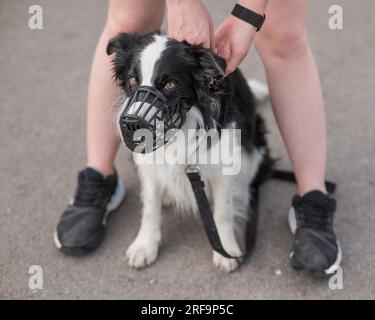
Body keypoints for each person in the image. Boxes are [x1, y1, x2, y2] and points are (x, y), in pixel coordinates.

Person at [55, 0, 340, 276]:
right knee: (129, 19)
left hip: (214, 136)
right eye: (134, 81)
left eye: (166, 83)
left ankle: (312, 196)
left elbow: (226, 168)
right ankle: (102, 179)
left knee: (284, 34)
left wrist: (248, 17)